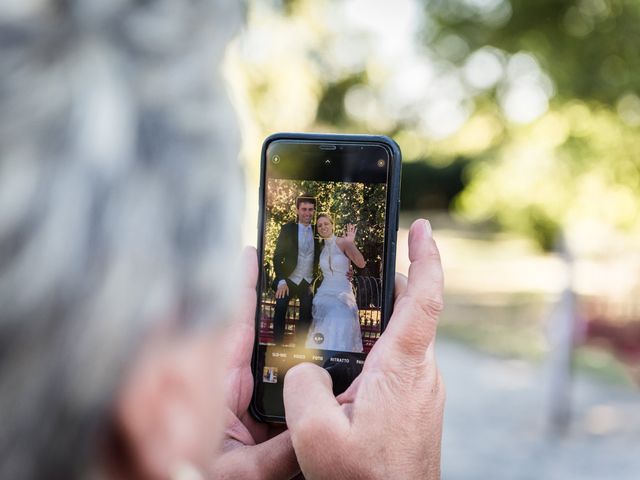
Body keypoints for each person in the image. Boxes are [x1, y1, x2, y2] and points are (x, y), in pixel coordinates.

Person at [0, 1, 445, 479]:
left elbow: (348, 263)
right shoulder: (300, 237)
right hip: (300, 295)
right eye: (214, 323)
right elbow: (279, 259)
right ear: (161, 411)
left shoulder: (334, 239)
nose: (312, 216)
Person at [306, 213, 366, 352]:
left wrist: (351, 243)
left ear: (332, 225)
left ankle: (338, 355)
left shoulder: (342, 242)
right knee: (327, 318)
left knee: (338, 314)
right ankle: (320, 357)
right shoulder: (320, 247)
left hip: (342, 292)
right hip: (324, 293)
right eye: (320, 225)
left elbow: (361, 263)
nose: (323, 227)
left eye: (326, 223)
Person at [272, 196, 321, 345]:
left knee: (307, 310)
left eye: (311, 209)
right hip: (288, 279)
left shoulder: (318, 230)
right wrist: (281, 281)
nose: (307, 213)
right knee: (280, 307)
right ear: (297, 210)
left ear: (314, 211)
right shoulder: (287, 229)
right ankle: (278, 345)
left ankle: (300, 347)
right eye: (304, 209)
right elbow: (277, 257)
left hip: (307, 281)